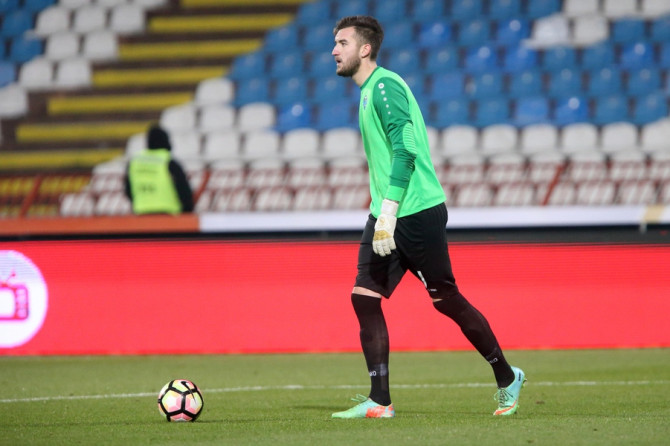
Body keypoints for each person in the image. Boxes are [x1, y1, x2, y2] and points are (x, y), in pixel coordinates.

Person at [330, 16, 525, 419]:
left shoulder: (384, 86)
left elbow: (406, 151)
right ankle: (380, 401)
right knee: (363, 297)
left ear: (365, 49)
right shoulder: (367, 92)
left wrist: (389, 212)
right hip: (386, 212)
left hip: (415, 211)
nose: (334, 50)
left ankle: (508, 377)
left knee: (445, 300)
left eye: (342, 43)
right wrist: (383, 213)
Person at [124, 125, 194, 215]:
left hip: (141, 213)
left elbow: (128, 190)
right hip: (168, 214)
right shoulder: (168, 162)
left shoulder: (134, 163)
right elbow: (183, 190)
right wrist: (187, 210)